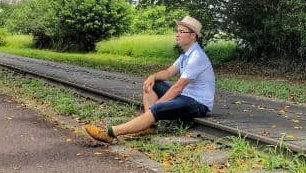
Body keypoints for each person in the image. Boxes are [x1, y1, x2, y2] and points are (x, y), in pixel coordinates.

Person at [84, 16, 215, 143]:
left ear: (193, 36)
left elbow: (177, 88)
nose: (177, 34)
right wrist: (152, 77)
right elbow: (168, 72)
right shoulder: (185, 55)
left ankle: (110, 133)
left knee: (157, 108)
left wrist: (158, 105)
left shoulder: (196, 57)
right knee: (152, 84)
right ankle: (149, 126)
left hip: (198, 104)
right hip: (185, 96)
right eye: (177, 31)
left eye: (181, 32)